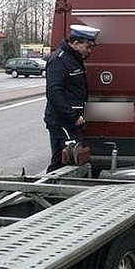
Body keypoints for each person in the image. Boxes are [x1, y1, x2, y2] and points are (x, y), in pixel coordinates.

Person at [44, 24, 100, 172]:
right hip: (62, 121)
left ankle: (47, 189)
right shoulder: (59, 60)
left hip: (69, 120)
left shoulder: (74, 59)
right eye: (87, 47)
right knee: (73, 156)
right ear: (76, 44)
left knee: (60, 161)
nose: (89, 51)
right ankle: (49, 189)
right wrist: (73, 116)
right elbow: (54, 92)